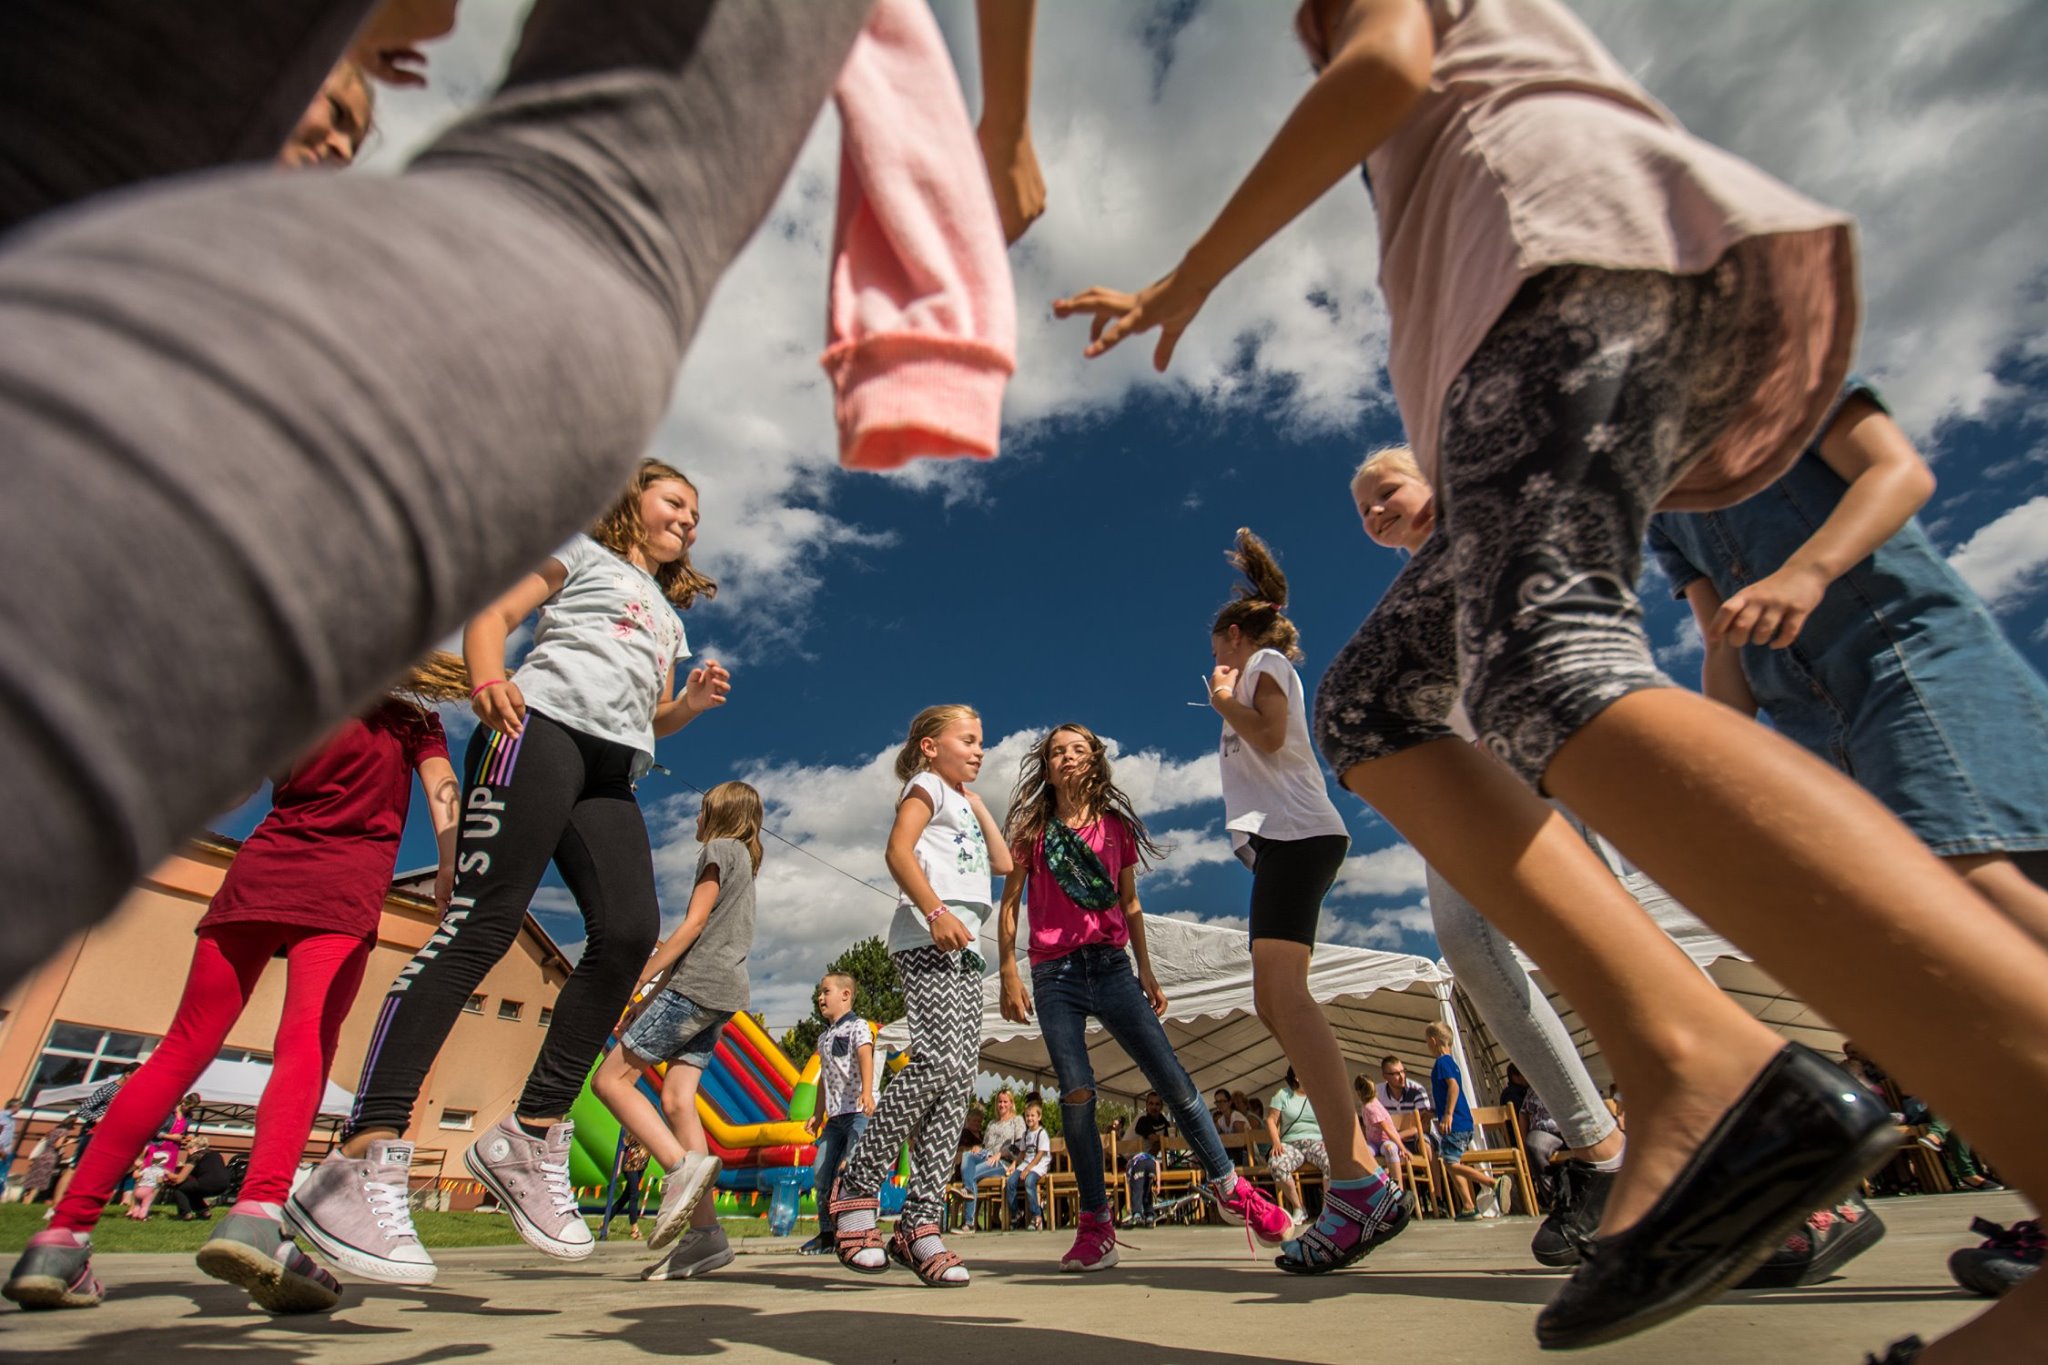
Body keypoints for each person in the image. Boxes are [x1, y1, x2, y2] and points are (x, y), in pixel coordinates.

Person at [1056, 1, 2048, 1354]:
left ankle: (1795, 1077)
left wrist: (1188, 274)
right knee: (1377, 704)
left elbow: (1386, 59)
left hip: (1561, 268)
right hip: (1560, 291)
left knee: (1543, 665)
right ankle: (1695, 1063)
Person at [300, 461, 732, 1281]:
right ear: (630, 502)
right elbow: (494, 615)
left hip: (612, 768)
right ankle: (359, 1156)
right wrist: (489, 676)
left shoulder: (667, 617)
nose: (689, 518)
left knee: (629, 932)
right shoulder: (582, 553)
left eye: (697, 512)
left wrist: (689, 705)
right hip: (536, 730)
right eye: (675, 501)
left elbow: (651, 716)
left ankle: (529, 1134)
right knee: (484, 924)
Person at [4, 647, 461, 1314]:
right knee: (304, 1045)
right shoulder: (411, 718)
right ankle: (256, 1214)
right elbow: (443, 790)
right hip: (340, 889)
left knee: (180, 1048)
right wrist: (450, 864)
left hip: (258, 874)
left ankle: (61, 1236)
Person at [1648, 377, 2048, 949]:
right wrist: (1716, 754)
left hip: (1904, 662)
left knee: (1967, 886)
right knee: (1907, 919)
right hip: (1809, 725)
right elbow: (1721, 641)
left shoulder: (1782, 382)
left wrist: (1804, 572)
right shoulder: (1662, 506)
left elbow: (1898, 472)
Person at [998, 723, 1292, 1270]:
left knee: (1171, 1078)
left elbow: (1130, 904)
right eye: (1057, 751)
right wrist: (1008, 972)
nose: (1067, 757)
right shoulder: (1032, 830)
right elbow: (1011, 903)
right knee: (1076, 1092)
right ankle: (1096, 1226)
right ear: (1047, 767)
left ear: (1095, 761)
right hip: (1054, 974)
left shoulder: (1115, 829)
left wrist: (1148, 972)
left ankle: (1231, 1188)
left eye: (1078, 749)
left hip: (1112, 967)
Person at [1193, 529, 1408, 1274]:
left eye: (1217, 646)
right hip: (1286, 841)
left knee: (1283, 996)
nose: (1215, 659)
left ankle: (1358, 1183)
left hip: (1301, 836)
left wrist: (1223, 698)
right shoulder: (1257, 668)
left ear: (1236, 633)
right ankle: (1360, 1180)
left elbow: (1271, 732)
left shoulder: (1263, 665)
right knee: (1274, 999)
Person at [829, 705, 1011, 1286]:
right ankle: (857, 1184)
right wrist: (934, 911)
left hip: (966, 947)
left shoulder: (962, 798)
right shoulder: (925, 785)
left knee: (958, 1080)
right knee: (934, 1060)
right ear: (931, 747)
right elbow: (898, 851)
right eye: (968, 740)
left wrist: (978, 803)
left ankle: (920, 1223)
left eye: (982, 742)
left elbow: (1003, 861)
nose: (979, 750)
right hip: (928, 936)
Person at [591, 780, 764, 1283]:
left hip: (697, 986)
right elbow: (701, 942)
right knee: (677, 1100)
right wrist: (648, 998)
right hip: (722, 991)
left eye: (701, 810)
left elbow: (691, 927)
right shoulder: (745, 861)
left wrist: (638, 978)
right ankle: (705, 1236)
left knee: (609, 1081)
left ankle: (677, 1166)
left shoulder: (718, 849)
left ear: (719, 814)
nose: (695, 819)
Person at [798, 973, 875, 1255]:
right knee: (821, 1171)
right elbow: (824, 1078)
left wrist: (867, 1091)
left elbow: (865, 1056)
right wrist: (818, 1113)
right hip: (834, 1118)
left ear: (845, 995)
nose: (820, 997)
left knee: (853, 1167)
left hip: (857, 1112)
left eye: (826, 991)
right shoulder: (824, 1037)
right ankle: (827, 1233)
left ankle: (857, 1227)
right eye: (819, 993)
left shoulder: (858, 1027)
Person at [1426, 1024, 1513, 1221]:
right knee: (1452, 1161)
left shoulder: (1442, 1063)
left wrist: (1448, 1114)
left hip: (1455, 1123)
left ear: (1433, 1041)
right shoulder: (1451, 1063)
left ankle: (1494, 1183)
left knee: (1450, 1163)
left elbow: (1453, 1087)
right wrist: (1435, 1112)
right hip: (1462, 1121)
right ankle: (1468, 1206)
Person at [1266, 1068, 1327, 1227]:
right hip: (1290, 1143)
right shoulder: (1283, 1094)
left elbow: (1330, 1119)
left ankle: (1327, 1209)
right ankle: (1299, 1208)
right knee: (1276, 1164)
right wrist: (1276, 1142)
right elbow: (1271, 1120)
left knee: (1333, 1161)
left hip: (1316, 1141)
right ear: (1297, 1077)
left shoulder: (1319, 1094)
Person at [958, 1090, 1022, 1233]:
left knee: (972, 1174)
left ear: (1011, 1103)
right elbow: (987, 1146)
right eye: (999, 1102)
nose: (1002, 1105)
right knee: (967, 1155)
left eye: (1005, 1102)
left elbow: (1019, 1146)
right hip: (987, 1156)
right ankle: (968, 1189)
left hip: (1003, 1162)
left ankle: (969, 1222)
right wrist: (978, 1148)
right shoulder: (992, 1123)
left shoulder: (1017, 1121)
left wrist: (1000, 1154)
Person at [1004, 1100, 1054, 1231]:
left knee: (1029, 1181)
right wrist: (1014, 1164)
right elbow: (1022, 1153)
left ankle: (1036, 1215)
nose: (1029, 1118)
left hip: (1039, 1165)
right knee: (1010, 1182)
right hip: (1026, 1163)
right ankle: (1016, 1212)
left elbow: (1040, 1154)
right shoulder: (1025, 1134)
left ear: (1039, 1117)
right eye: (1027, 1116)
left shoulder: (1042, 1133)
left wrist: (1027, 1169)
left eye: (1032, 1115)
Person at [1128, 1091, 1173, 1226]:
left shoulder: (1162, 1120)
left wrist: (1165, 1141)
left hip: (1148, 1160)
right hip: (1130, 1159)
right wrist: (1165, 1141)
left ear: (1161, 1106)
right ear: (1146, 1105)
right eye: (1151, 1104)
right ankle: (1145, 1212)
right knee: (1149, 1171)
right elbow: (1157, 1140)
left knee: (1170, 1172)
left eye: (1157, 1104)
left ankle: (1163, 1211)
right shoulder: (1143, 1119)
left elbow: (1166, 1142)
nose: (1154, 1107)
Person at [164, 1136, 235, 1222]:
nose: (188, 1153)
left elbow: (179, 1179)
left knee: (179, 1188)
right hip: (224, 1185)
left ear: (193, 1147)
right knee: (192, 1190)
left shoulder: (196, 1156)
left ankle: (186, 1214)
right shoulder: (215, 1154)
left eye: (188, 1150)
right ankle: (204, 1212)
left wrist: (166, 1173)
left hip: (208, 1183)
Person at [1352, 1075, 1405, 1177]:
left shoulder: (1371, 1108)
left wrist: (1402, 1147)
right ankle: (1379, 1178)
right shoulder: (1365, 1106)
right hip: (1374, 1143)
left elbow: (1388, 1129)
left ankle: (1398, 1182)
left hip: (1386, 1141)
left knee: (1390, 1149)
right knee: (1363, 1153)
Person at [602, 1140, 650, 1241]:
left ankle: (604, 1222)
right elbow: (622, 1148)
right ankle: (634, 1229)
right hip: (630, 1164)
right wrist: (618, 1167)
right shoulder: (631, 1132)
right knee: (634, 1195)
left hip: (642, 1163)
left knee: (626, 1197)